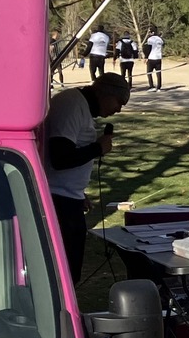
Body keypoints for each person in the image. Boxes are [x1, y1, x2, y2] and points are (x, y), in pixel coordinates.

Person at [43, 73, 128, 281]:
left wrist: (78, 191)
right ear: (105, 93)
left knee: (72, 269)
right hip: (57, 201)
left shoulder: (79, 106)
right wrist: (98, 148)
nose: (118, 109)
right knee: (65, 272)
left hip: (68, 197)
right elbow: (60, 157)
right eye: (119, 102)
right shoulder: (72, 105)